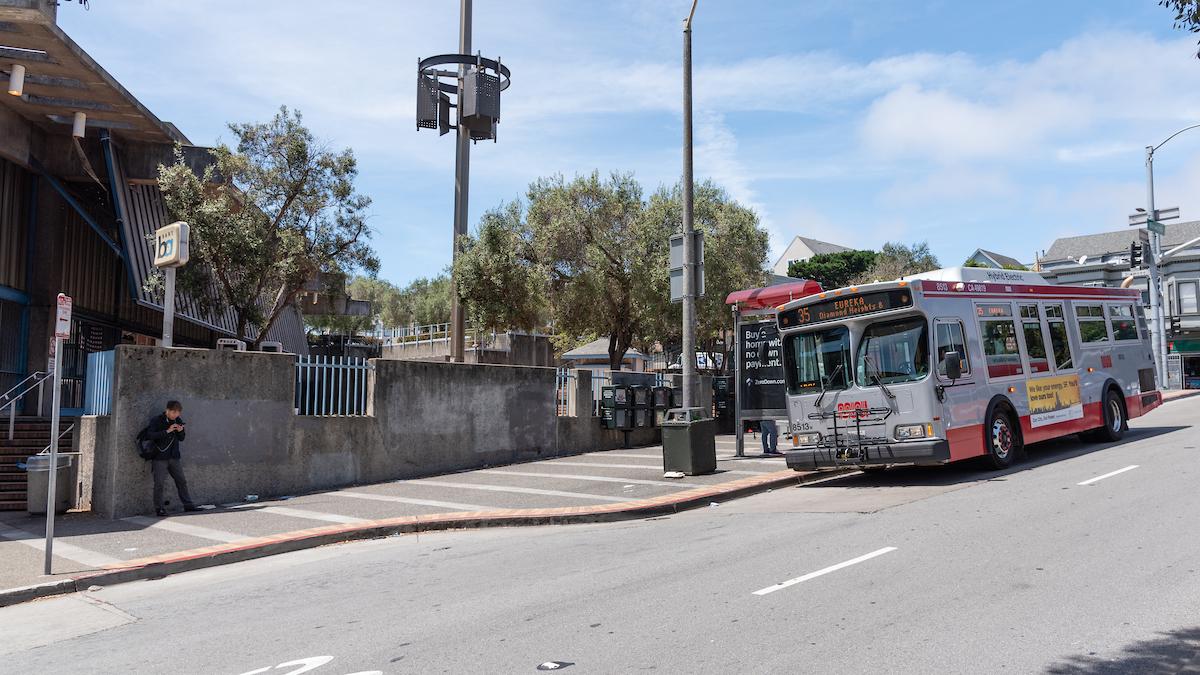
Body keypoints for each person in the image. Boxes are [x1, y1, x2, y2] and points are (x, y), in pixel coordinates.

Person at [145, 400, 198, 517]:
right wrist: (167, 431)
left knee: (182, 481)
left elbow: (182, 438)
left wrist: (180, 431)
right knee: (159, 483)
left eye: (178, 413)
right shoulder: (157, 420)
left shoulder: (178, 420)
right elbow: (150, 435)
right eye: (173, 412)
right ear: (167, 410)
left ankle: (188, 505)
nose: (175, 415)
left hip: (174, 457)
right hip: (159, 457)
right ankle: (159, 508)